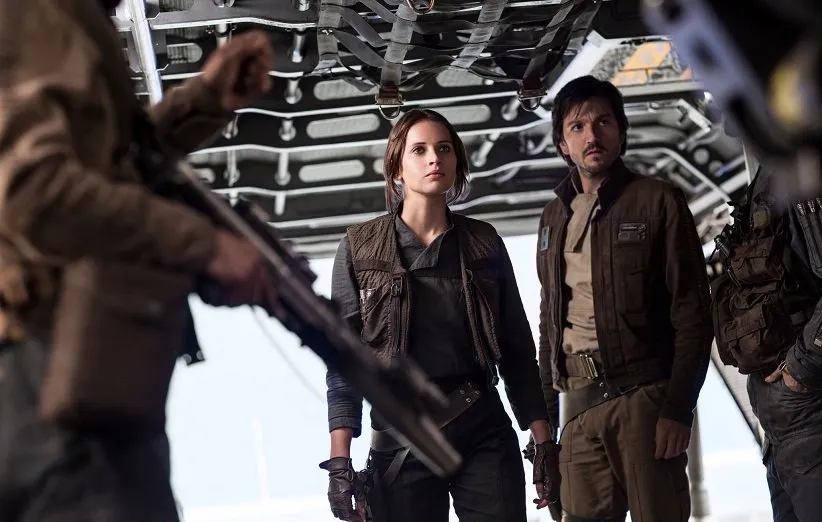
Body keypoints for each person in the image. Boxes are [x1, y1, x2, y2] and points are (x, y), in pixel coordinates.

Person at [0, 1, 278, 520]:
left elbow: (109, 168)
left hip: (68, 380)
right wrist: (205, 245)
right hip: (50, 383)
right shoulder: (38, 9)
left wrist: (202, 102)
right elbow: (33, 194)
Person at [320, 108, 558, 522]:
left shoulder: (483, 242)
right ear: (397, 167)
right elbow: (344, 364)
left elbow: (518, 351)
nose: (434, 158)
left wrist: (543, 442)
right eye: (420, 150)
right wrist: (340, 463)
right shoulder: (359, 247)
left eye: (444, 149)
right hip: (400, 439)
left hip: (482, 429)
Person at [535, 75, 714, 522]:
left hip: (644, 399)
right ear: (562, 144)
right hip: (576, 401)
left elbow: (693, 312)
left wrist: (678, 408)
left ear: (621, 131)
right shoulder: (553, 217)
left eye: (603, 122)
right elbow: (550, 324)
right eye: (577, 127)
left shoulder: (657, 201)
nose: (592, 136)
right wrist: (546, 432)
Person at [710, 156, 822, 522]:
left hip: (810, 414)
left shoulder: (806, 166)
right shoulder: (769, 172)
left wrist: (802, 367)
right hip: (779, 428)